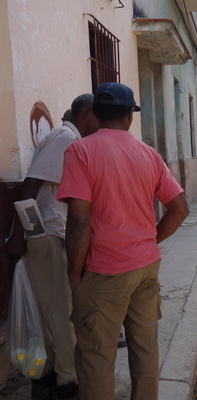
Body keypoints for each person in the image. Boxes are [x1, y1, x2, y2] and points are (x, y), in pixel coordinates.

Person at [57, 82, 189, 400]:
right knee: (145, 349)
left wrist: (74, 273)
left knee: (97, 358)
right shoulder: (148, 154)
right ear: (129, 116)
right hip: (145, 267)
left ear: (95, 114)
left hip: (103, 271)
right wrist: (149, 240)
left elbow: (78, 219)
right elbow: (180, 209)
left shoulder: (80, 150)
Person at [5, 94, 99, 400]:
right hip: (47, 237)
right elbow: (30, 186)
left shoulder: (70, 138)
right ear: (86, 113)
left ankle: (53, 379)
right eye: (98, 117)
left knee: (55, 312)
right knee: (61, 313)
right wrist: (18, 236)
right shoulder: (64, 138)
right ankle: (66, 383)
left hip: (51, 236)